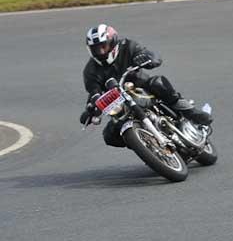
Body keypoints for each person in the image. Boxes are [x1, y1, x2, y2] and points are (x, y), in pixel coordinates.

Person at [80, 24, 212, 148]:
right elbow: (94, 93)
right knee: (109, 136)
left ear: (113, 42)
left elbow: (152, 56)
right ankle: (147, 147)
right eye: (96, 49)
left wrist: (147, 58)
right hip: (119, 103)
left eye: (104, 46)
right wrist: (90, 110)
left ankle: (189, 111)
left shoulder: (128, 46)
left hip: (141, 87)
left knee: (158, 82)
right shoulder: (90, 71)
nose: (101, 52)